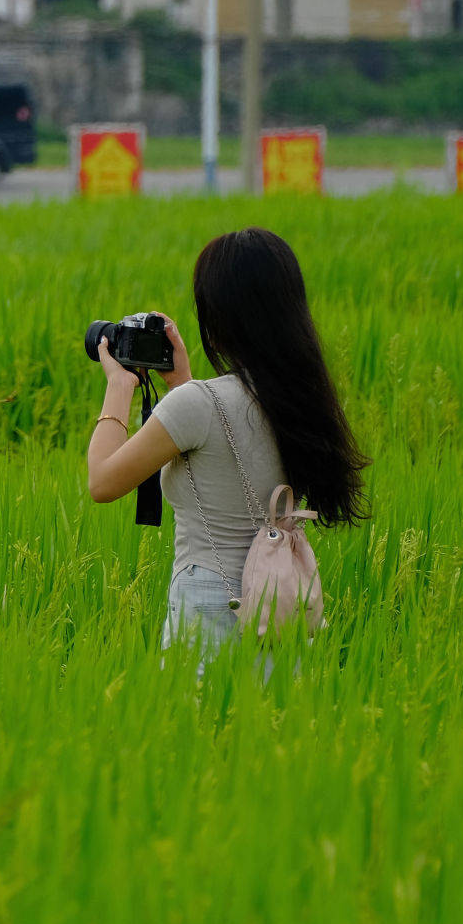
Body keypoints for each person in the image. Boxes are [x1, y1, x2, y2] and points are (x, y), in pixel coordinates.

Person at [84, 228, 368, 657]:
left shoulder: (198, 405)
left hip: (212, 613)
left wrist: (120, 386)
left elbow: (102, 482)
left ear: (218, 320)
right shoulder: (300, 397)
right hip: (281, 604)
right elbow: (221, 450)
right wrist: (181, 382)